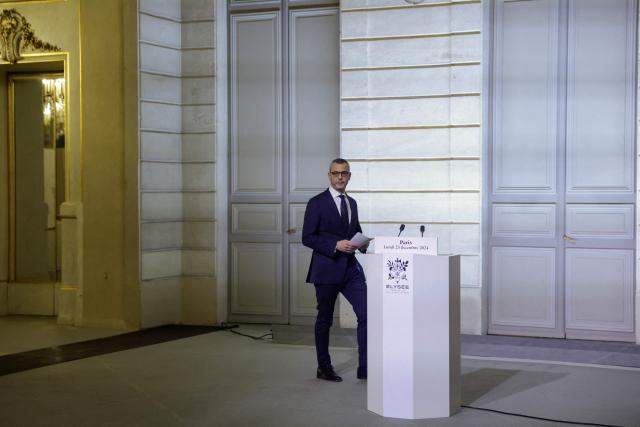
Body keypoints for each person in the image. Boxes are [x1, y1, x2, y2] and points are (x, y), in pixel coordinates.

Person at [302, 158, 368, 382]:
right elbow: (307, 237)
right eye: (336, 173)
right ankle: (324, 367)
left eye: (344, 173)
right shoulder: (316, 203)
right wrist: (334, 245)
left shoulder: (353, 203)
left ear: (349, 176)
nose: (340, 177)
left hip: (350, 269)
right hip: (326, 269)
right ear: (329, 175)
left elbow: (355, 230)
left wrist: (363, 242)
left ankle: (365, 367)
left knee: (367, 314)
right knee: (325, 320)